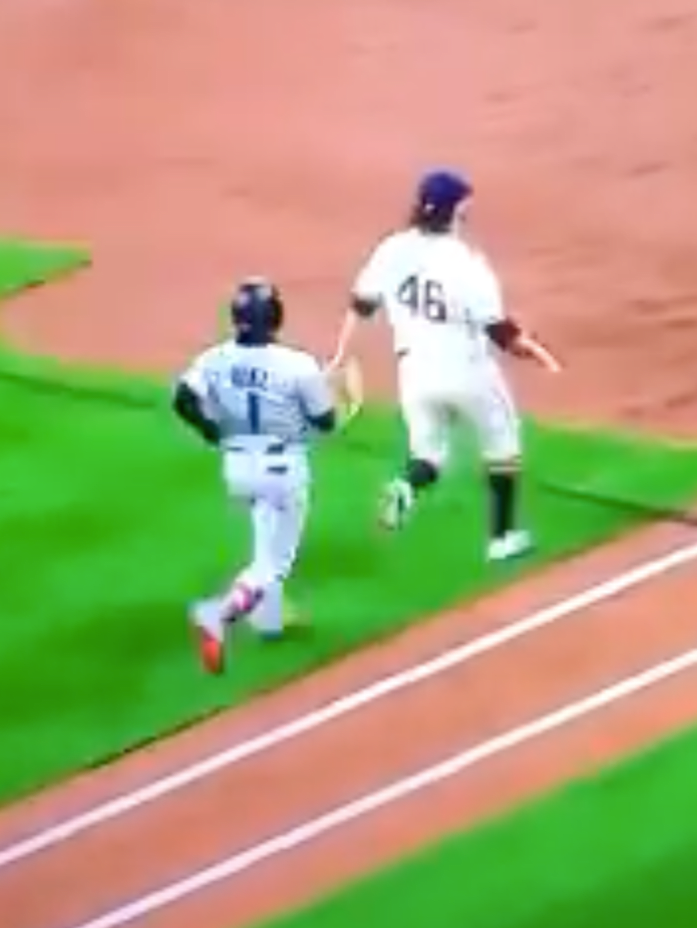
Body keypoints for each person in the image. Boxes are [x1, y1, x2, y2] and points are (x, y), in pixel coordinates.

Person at [328, 169, 562, 563]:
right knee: (502, 442)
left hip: (415, 373)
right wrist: (541, 355)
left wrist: (339, 355)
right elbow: (501, 333)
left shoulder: (392, 250)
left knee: (429, 454)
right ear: (455, 213)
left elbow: (361, 307)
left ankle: (405, 486)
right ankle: (502, 537)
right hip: (467, 371)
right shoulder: (467, 263)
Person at [177, 278, 359, 674]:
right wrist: (339, 403)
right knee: (273, 564)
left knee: (265, 537)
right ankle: (219, 613)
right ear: (275, 318)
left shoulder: (214, 359)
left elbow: (183, 399)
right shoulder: (297, 365)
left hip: (237, 467)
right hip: (283, 469)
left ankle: (270, 619)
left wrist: (211, 429)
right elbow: (325, 422)